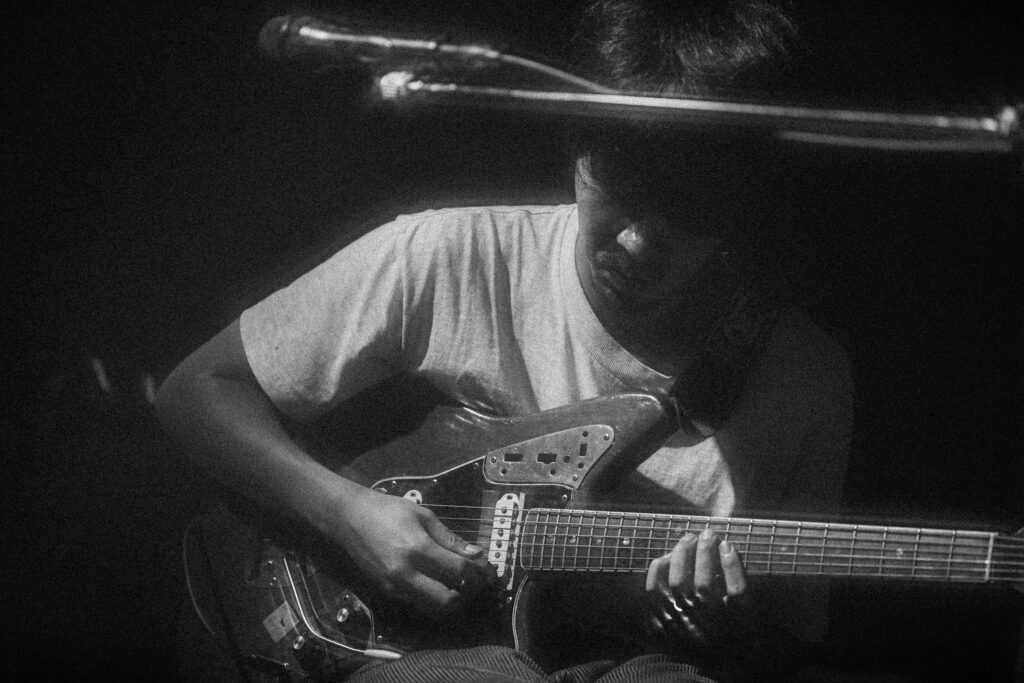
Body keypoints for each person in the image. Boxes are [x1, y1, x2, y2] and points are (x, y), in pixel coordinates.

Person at [156, 1, 852, 681]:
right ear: (578, 143)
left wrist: (728, 631)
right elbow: (195, 392)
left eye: (692, 210)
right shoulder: (450, 255)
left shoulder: (802, 380)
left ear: (744, 205)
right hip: (377, 643)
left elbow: (786, 645)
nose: (638, 241)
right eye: (622, 184)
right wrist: (346, 513)